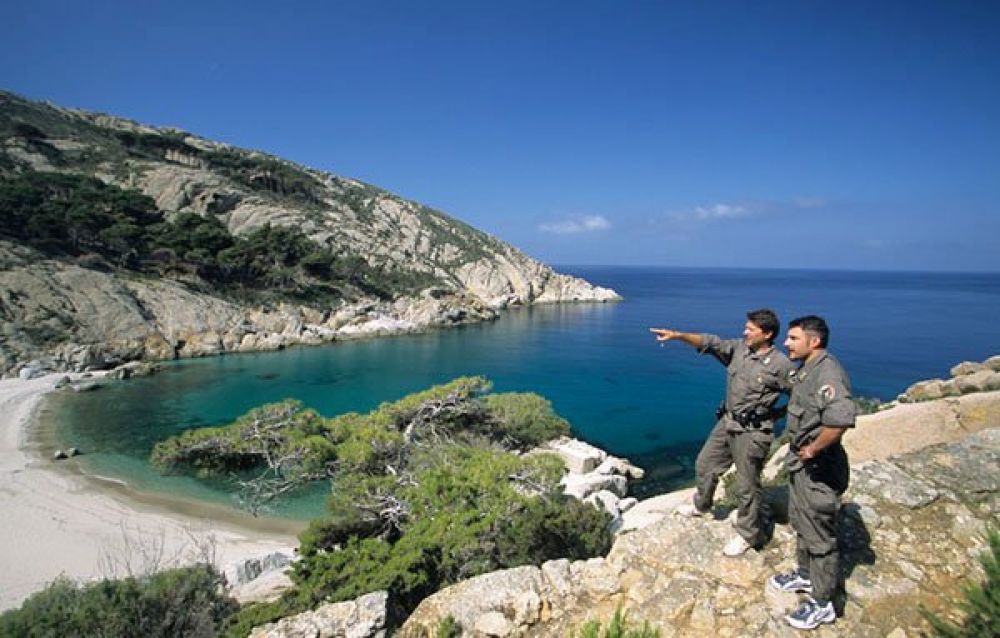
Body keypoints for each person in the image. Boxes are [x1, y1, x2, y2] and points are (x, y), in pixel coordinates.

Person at [649, 309, 793, 557]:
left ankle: (749, 534)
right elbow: (710, 342)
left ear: (767, 334)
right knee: (705, 464)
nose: (744, 332)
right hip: (727, 423)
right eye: (745, 327)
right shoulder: (739, 350)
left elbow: (800, 396)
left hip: (752, 432)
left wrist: (776, 415)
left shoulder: (781, 365)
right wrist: (678, 336)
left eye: (750, 329)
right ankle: (701, 504)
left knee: (747, 484)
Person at [769, 315, 855, 631]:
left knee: (819, 534)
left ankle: (823, 604)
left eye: (792, 338)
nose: (786, 343)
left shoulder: (829, 373)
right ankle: (805, 574)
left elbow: (840, 420)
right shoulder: (808, 369)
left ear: (813, 341)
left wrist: (813, 449)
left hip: (819, 466)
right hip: (803, 465)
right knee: (802, 519)